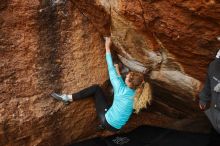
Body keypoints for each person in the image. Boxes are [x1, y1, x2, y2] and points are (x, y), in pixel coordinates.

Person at [51, 37, 152, 132]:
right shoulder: (138, 93)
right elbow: (122, 87)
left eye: (126, 78)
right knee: (113, 102)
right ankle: (103, 125)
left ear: (130, 84)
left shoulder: (121, 90)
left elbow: (110, 68)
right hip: (118, 128)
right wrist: (118, 72)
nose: (125, 77)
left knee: (96, 89)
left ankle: (67, 98)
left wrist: (107, 47)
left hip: (108, 122)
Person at [199, 49, 220, 145]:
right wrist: (203, 99)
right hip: (215, 114)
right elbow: (207, 85)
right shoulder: (213, 66)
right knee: (214, 140)